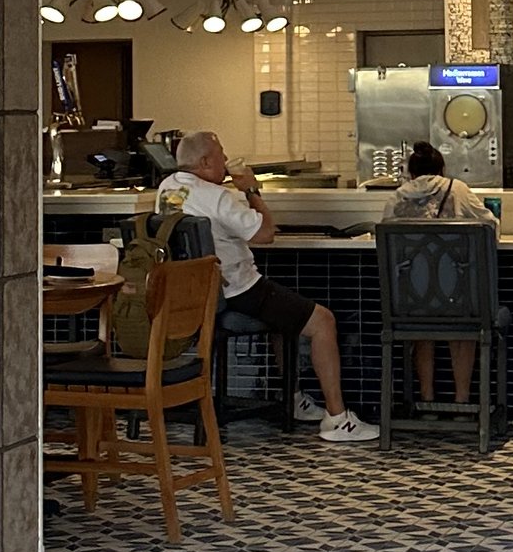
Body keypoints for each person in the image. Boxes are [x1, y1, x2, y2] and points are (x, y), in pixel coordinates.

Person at [158, 130, 377, 446]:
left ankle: (293, 398)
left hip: (195, 295)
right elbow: (264, 234)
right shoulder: (216, 196)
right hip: (237, 290)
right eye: (221, 155)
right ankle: (337, 418)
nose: (225, 160)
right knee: (322, 321)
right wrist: (251, 190)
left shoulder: (167, 189)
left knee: (285, 319)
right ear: (204, 162)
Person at [386, 139, 488, 414]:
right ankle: (461, 402)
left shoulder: (397, 197)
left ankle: (427, 401)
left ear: (411, 173)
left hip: (410, 303)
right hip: (456, 299)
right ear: (442, 168)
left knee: (422, 326)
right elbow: (489, 226)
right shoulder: (457, 190)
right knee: (465, 321)